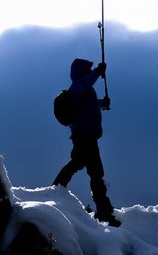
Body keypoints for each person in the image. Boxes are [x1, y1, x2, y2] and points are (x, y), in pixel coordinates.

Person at [53, 59, 121, 227]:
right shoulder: (78, 85)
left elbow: (90, 104)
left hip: (86, 135)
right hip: (84, 135)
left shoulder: (83, 90)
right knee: (95, 172)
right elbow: (86, 82)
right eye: (87, 69)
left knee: (81, 164)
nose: (89, 71)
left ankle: (56, 189)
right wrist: (98, 70)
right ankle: (104, 212)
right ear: (81, 71)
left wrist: (103, 103)